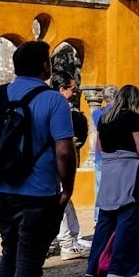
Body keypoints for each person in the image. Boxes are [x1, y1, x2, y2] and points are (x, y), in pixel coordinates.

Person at [0, 40, 75, 277]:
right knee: (28, 259)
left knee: (9, 254)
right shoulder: (53, 101)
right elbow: (64, 151)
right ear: (45, 66)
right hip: (37, 191)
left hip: (1, 189)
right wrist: (67, 188)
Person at [85, 84, 139, 277]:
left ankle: (94, 266)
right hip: (128, 168)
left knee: (105, 217)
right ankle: (120, 267)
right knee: (127, 217)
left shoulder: (104, 118)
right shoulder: (131, 117)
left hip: (109, 169)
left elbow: (100, 149)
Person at [49, 72, 90, 259]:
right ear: (61, 89)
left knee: (63, 202)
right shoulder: (58, 105)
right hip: (55, 163)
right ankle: (67, 243)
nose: (74, 93)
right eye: (72, 89)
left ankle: (67, 239)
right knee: (62, 201)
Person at [91, 84, 117, 199]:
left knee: (99, 190)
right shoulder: (117, 114)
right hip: (113, 155)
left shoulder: (96, 114)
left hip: (99, 155)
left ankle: (98, 216)